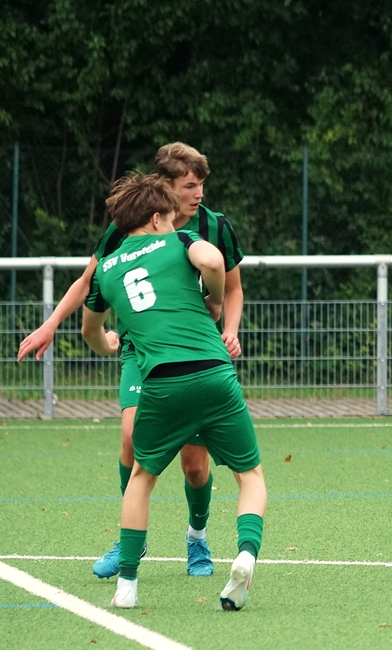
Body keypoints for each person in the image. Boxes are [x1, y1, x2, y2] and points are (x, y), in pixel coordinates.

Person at [17, 143, 245, 578]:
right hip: (141, 349)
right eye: (189, 186)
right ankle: (130, 541)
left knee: (195, 464)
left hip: (194, 351)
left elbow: (232, 288)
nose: (198, 193)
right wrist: (51, 324)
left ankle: (197, 538)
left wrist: (229, 329)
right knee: (129, 437)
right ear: (166, 187)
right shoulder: (131, 225)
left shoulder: (213, 226)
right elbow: (88, 282)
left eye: (201, 184)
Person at [81, 172, 266, 610]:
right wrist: (215, 299)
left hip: (161, 383)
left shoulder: (106, 269)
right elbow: (215, 262)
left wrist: (108, 344)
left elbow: (90, 330)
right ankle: (245, 554)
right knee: (250, 477)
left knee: (141, 478)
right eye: (168, 217)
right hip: (215, 374)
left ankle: (128, 584)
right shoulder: (181, 241)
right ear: (156, 218)